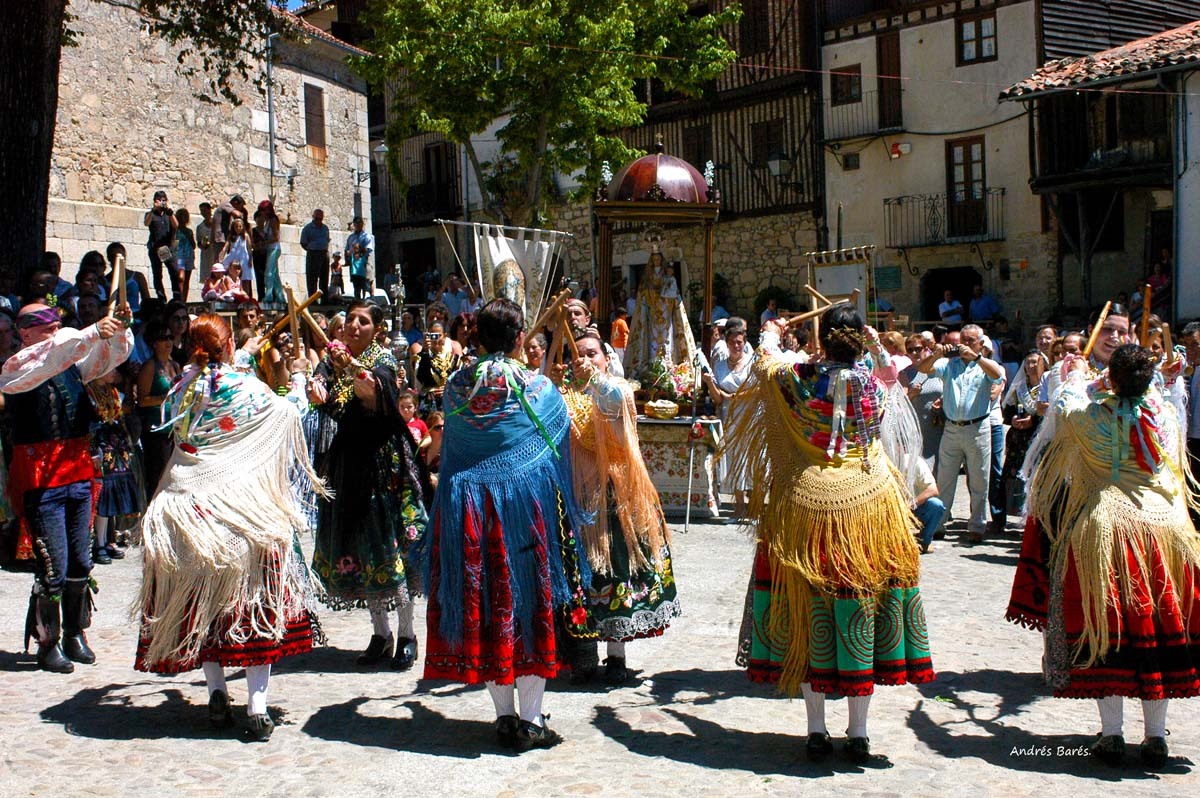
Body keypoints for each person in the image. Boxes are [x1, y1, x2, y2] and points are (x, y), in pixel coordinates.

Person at [730, 308, 934, 764]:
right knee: (862, 607)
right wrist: (875, 342)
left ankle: (816, 730)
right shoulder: (874, 384)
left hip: (807, 506)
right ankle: (858, 732)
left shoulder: (801, 378)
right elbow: (890, 372)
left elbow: (764, 362)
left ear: (824, 342)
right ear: (860, 341)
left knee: (808, 611)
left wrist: (771, 332)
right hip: (868, 505)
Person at [1007, 344, 1200, 768]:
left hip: (1108, 526)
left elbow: (1064, 403)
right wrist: (1160, 378)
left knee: (1107, 627)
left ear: (1111, 379)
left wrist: (1076, 372)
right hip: (1165, 528)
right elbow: (1156, 396)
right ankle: (1155, 736)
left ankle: (1112, 734)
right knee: (1157, 625)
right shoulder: (1163, 415)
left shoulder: (1089, 417)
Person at [134, 314, 325, 741]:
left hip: (188, 511)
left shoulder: (185, 387)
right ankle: (257, 707)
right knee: (254, 607)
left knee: (203, 606)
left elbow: (213, 383)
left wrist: (243, 356)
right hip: (240, 513)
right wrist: (298, 379)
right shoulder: (249, 389)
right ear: (228, 346)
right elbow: (288, 413)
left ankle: (217, 691)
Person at [419, 298, 591, 751]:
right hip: (523, 511)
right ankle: (532, 721)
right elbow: (558, 437)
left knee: (487, 605)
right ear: (519, 338)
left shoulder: (457, 386)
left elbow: (456, 446)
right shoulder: (536, 387)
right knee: (529, 604)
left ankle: (504, 717)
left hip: (468, 509)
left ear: (477, 337)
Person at [1, 301, 133, 673]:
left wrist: (118, 329)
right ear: (25, 332)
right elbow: (52, 356)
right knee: (52, 564)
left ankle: (75, 633)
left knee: (81, 559)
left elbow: (108, 358)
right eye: (47, 326)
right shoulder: (16, 367)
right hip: (43, 480)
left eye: (57, 325)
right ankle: (48, 642)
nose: (55, 331)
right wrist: (91, 332)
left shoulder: (70, 361)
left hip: (77, 472)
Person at [549, 328, 680, 684]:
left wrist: (593, 380)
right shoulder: (563, 396)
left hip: (616, 495)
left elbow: (615, 409)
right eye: (578, 355)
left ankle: (617, 655)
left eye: (592, 353)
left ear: (607, 359)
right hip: (577, 498)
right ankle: (583, 654)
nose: (585, 360)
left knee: (618, 570)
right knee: (584, 578)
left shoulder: (617, 389)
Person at [306, 300, 430, 669]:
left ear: (376, 329)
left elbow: (376, 390)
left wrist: (354, 372)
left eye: (363, 321)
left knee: (391, 548)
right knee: (360, 549)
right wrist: (316, 388)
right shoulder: (331, 361)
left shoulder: (383, 360)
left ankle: (406, 634)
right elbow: (322, 388)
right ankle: (380, 633)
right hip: (349, 465)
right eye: (350, 320)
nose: (354, 326)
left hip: (384, 468)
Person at [914, 323, 1005, 543]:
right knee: (944, 479)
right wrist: (936, 354)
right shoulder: (949, 364)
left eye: (970, 340)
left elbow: (997, 376)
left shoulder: (985, 365)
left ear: (981, 344)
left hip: (977, 428)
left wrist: (976, 358)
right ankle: (938, 524)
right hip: (952, 427)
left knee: (979, 480)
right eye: (962, 340)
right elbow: (923, 369)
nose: (965, 344)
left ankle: (977, 525)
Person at [703, 317, 754, 514]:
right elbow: (717, 398)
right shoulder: (720, 366)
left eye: (739, 342)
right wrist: (709, 383)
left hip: (749, 415)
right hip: (729, 417)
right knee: (733, 457)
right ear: (726, 343)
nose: (736, 346)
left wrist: (734, 396)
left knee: (749, 457)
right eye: (732, 342)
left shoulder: (751, 362)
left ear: (744, 342)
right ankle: (738, 506)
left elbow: (758, 389)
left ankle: (754, 505)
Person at [623, 251, 696, 385]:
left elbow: (673, 295)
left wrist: (663, 293)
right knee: (652, 343)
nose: (656, 262)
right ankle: (651, 372)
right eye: (654, 259)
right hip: (651, 316)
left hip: (666, 315)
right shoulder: (647, 278)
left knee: (667, 342)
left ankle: (669, 372)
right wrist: (651, 294)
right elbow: (642, 295)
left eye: (658, 259)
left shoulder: (668, 277)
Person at [137, 320, 180, 496]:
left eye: (170, 337)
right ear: (154, 343)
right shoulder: (149, 367)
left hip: (174, 430)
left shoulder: (175, 365)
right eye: (163, 338)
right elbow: (141, 401)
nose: (168, 341)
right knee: (158, 478)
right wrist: (164, 398)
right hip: (156, 431)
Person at [144, 190, 179, 300]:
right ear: (155, 201)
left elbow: (176, 225)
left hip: (166, 248)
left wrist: (170, 212)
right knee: (157, 274)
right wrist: (153, 209)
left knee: (174, 271)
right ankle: (161, 298)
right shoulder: (151, 214)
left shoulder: (169, 214)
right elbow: (146, 223)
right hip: (155, 247)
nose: (162, 202)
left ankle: (176, 296)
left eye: (163, 200)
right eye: (159, 200)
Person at [254, 200, 284, 304]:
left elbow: (276, 237)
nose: (261, 213)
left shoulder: (272, 220)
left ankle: (269, 296)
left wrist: (264, 242)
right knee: (275, 274)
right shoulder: (268, 221)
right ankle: (280, 297)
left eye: (262, 210)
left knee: (269, 272)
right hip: (271, 248)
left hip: (274, 248)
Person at [220, 217, 255, 299]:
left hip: (244, 258)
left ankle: (246, 296)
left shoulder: (245, 236)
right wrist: (222, 254)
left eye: (240, 226)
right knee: (231, 273)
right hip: (234, 257)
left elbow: (249, 248)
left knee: (245, 278)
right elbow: (226, 246)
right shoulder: (231, 236)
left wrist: (250, 259)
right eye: (236, 227)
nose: (238, 228)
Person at [300, 208, 331, 298]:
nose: (318, 221)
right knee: (312, 278)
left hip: (324, 254)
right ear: (313, 217)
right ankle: (312, 300)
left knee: (324, 278)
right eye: (317, 219)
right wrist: (311, 250)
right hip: (313, 254)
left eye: (320, 219)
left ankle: (324, 299)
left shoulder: (325, 228)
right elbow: (303, 242)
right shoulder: (307, 228)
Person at [345, 218, 374, 300]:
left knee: (366, 281)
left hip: (364, 262)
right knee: (356, 284)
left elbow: (368, 249)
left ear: (362, 224)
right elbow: (347, 249)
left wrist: (359, 253)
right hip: (354, 264)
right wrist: (347, 258)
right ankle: (357, 299)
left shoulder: (366, 236)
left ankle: (369, 298)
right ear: (354, 225)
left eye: (360, 223)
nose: (358, 225)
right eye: (356, 223)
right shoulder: (351, 237)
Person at [174, 207, 196, 301]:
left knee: (187, 280)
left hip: (189, 255)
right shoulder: (175, 231)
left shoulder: (189, 231)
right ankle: (179, 298)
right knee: (180, 278)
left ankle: (184, 300)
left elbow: (193, 245)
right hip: (179, 255)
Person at [195, 202, 214, 286]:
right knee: (207, 277)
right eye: (201, 211)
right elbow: (198, 242)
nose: (203, 213)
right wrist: (202, 245)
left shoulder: (216, 224)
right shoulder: (200, 227)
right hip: (206, 254)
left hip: (215, 252)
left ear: (210, 210)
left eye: (205, 210)